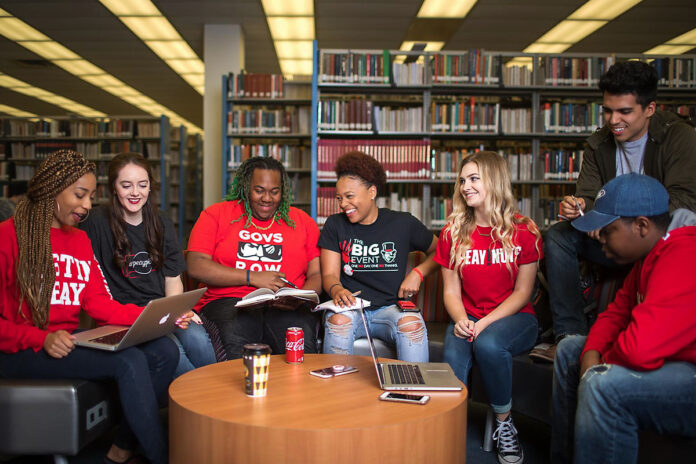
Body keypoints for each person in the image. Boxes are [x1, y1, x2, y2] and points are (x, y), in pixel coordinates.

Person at [0, 150, 193, 464]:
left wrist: (157, 317)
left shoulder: (78, 240)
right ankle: (164, 458)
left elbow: (100, 304)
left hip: (69, 340)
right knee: (128, 362)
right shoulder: (7, 236)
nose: (87, 206)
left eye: (90, 196)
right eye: (80, 195)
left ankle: (122, 444)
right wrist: (41, 338)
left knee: (165, 351)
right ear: (52, 189)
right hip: (22, 348)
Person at [537, 60, 696, 362]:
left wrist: (620, 221)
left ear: (649, 108)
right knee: (558, 235)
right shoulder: (598, 144)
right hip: (610, 232)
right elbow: (589, 195)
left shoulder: (680, 138)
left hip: (656, 236)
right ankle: (569, 333)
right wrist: (582, 206)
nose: (613, 120)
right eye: (607, 110)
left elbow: (685, 202)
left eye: (624, 111)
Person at [551, 173, 696, 464]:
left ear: (641, 226)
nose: (599, 240)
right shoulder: (648, 256)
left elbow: (639, 349)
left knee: (602, 385)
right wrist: (591, 354)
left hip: (689, 374)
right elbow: (615, 314)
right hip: (668, 361)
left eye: (608, 231)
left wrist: (597, 365)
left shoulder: (684, 255)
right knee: (570, 351)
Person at [434, 151, 542, 464]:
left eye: (474, 178)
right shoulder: (452, 232)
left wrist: (481, 325)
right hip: (467, 318)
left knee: (490, 344)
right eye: (462, 180)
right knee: (454, 353)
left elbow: (523, 293)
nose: (465, 186)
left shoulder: (524, 231)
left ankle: (505, 424)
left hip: (515, 318)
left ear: (494, 181)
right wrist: (461, 319)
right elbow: (451, 292)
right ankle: (447, 427)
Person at [81, 152, 216, 377]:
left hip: (162, 309)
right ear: (113, 187)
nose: (135, 193)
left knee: (197, 338)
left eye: (142, 185)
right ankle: (199, 402)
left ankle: (216, 397)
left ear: (150, 187)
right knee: (177, 353)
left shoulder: (160, 220)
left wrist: (178, 310)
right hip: (124, 316)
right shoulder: (95, 222)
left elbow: (173, 279)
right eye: (126, 185)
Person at [186, 156, 322, 359]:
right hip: (229, 301)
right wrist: (252, 277)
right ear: (245, 187)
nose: (267, 198)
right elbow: (196, 265)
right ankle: (246, 389)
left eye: (274, 192)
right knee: (238, 330)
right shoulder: (216, 214)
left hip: (285, 304)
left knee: (298, 334)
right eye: (259, 190)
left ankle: (297, 390)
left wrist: (300, 297)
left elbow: (317, 272)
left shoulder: (302, 221)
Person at [319, 151, 439, 362]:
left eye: (349, 196)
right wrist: (337, 289)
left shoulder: (403, 223)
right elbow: (329, 274)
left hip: (390, 309)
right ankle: (335, 392)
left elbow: (441, 250)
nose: (343, 204)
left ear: (372, 191)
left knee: (412, 326)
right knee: (338, 323)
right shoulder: (335, 225)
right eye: (339, 198)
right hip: (350, 309)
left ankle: (414, 392)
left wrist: (418, 274)